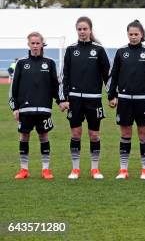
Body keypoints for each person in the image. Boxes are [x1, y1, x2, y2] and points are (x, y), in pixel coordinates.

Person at [59, 16, 110, 180]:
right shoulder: (70, 50)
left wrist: (112, 95)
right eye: (79, 29)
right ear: (77, 30)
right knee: (75, 134)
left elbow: (107, 76)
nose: (82, 32)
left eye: (85, 29)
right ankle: (75, 169)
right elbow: (65, 76)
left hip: (94, 99)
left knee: (94, 135)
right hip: (74, 99)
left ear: (90, 29)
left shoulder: (99, 50)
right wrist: (64, 98)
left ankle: (95, 169)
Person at [107, 20, 145, 180]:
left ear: (142, 35)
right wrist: (111, 95)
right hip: (124, 100)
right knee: (125, 133)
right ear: (127, 34)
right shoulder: (121, 52)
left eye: (136, 34)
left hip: (143, 100)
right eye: (131, 34)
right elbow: (113, 75)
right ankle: (123, 169)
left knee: (143, 134)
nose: (134, 37)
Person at [10, 32, 60, 180]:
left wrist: (60, 101)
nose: (35, 46)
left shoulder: (50, 63)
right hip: (25, 109)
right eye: (33, 43)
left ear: (42, 44)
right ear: (28, 44)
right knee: (24, 137)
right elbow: (14, 88)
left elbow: (55, 87)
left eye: (38, 43)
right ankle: (24, 169)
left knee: (43, 136)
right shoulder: (21, 63)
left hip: (44, 108)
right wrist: (15, 108)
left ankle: (46, 170)